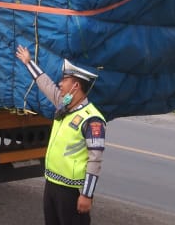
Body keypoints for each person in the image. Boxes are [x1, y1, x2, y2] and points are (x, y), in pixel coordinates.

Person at [16, 45, 106, 225]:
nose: (60, 84)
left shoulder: (92, 119)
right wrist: (28, 62)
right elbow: (45, 83)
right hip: (52, 184)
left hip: (71, 191)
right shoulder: (64, 106)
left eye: (64, 80)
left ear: (75, 86)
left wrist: (87, 195)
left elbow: (94, 160)